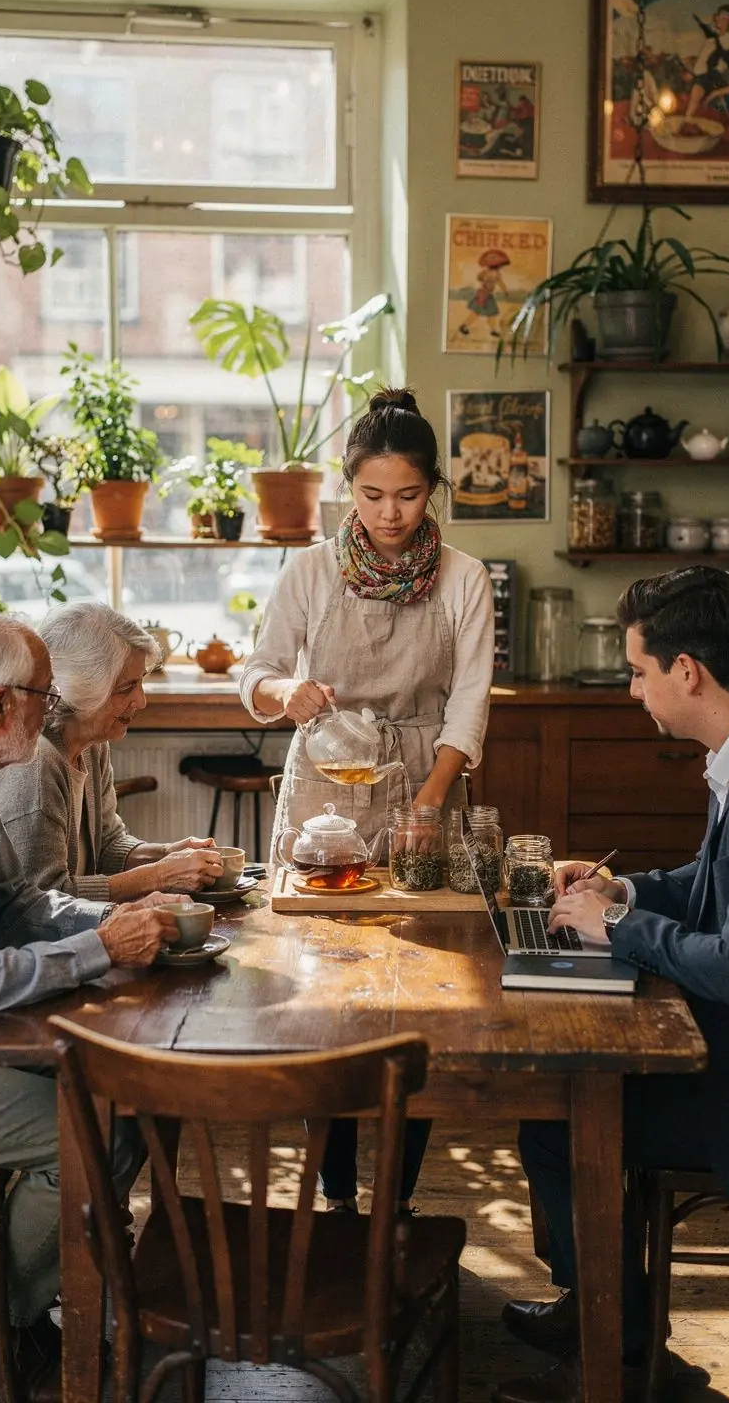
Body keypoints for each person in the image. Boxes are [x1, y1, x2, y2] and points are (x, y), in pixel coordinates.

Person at [494, 566, 729, 1403]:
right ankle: (604, 1313)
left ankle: (617, 1349)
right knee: (554, 1103)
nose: (632, 689)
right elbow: (712, 888)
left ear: (688, 672)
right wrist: (624, 892)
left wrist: (622, 931)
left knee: (562, 1113)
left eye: (639, 671)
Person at [240, 386, 494, 1214]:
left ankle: (397, 1195)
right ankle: (337, 1193)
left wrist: (426, 805)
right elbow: (257, 671)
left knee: (423, 991)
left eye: (410, 495)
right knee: (324, 989)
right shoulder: (309, 571)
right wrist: (289, 692)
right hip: (328, 784)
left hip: (428, 774)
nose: (391, 514)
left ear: (434, 491)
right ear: (349, 488)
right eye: (374, 495)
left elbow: (470, 701)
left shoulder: (462, 577)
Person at [0, 611, 183, 1402]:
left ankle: (28, 1304)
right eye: (46, 695)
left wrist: (117, 926)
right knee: (97, 1130)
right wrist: (101, 949)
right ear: (1, 706)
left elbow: (20, 905)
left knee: (122, 1098)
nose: (56, 712)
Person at [0, 603, 223, 902]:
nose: (140, 701)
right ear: (83, 686)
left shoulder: (93, 744)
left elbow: (108, 844)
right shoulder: (36, 762)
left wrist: (167, 855)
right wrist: (159, 875)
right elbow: (40, 901)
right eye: (128, 687)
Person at [685, 4, 729, 119]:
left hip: (712, 84)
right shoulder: (714, 36)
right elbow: (705, 28)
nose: (718, 19)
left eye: (724, 17)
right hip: (700, 79)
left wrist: (715, 93)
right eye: (718, 16)